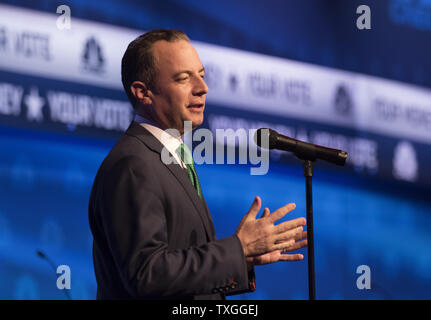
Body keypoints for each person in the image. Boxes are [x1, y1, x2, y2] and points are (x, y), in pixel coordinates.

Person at [88, 29, 307, 300]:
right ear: (143, 93)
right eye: (183, 78)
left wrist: (243, 257)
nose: (203, 88)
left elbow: (178, 267)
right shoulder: (134, 165)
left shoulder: (170, 156)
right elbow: (147, 274)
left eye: (201, 75)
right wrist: (237, 249)